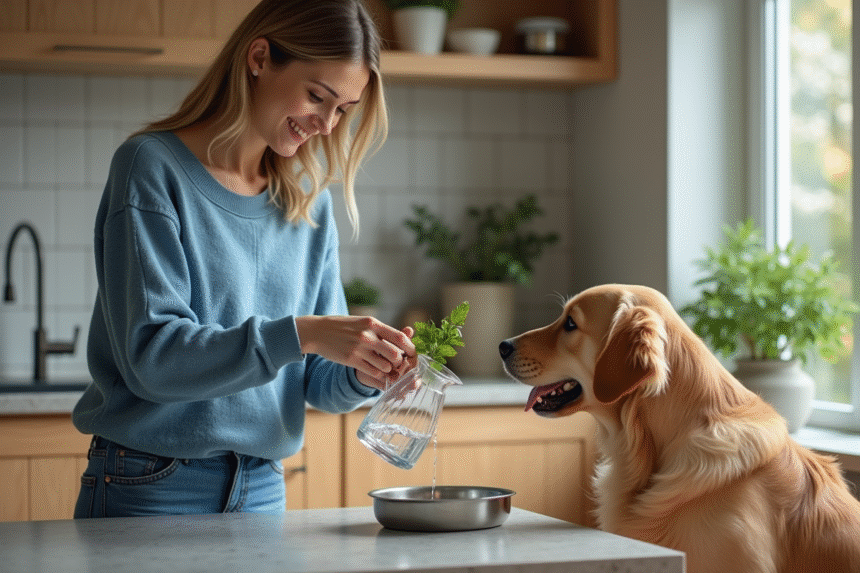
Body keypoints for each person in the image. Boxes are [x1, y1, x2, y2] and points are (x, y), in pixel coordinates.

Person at [72, 0, 415, 518]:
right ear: (259, 58)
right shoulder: (151, 167)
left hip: (262, 487)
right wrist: (303, 333)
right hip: (149, 484)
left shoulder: (308, 201)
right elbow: (153, 360)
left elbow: (319, 382)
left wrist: (368, 370)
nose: (326, 125)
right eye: (317, 96)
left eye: (343, 109)